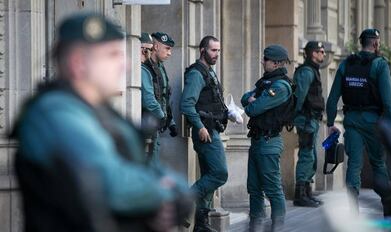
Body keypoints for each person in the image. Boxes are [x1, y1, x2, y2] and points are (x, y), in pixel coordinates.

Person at [11, 13, 190, 232]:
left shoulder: (103, 113)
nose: (125, 66)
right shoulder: (53, 113)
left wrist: (178, 193)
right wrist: (165, 194)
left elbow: (149, 170)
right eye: (112, 55)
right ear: (78, 63)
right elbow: (110, 183)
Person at [326, 28, 391, 215]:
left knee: (354, 165)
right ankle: (387, 206)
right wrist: (390, 127)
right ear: (375, 43)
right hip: (374, 122)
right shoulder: (380, 65)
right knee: (378, 164)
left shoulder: (346, 64)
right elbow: (389, 102)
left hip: (352, 121)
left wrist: (330, 123)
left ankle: (352, 211)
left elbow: (332, 99)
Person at [241, 44, 293, 231]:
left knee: (272, 189)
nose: (262, 61)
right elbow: (245, 97)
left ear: (277, 63)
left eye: (266, 59)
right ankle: (256, 224)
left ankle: (277, 226)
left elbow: (253, 108)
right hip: (258, 141)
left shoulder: (280, 86)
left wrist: (252, 101)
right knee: (254, 188)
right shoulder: (266, 82)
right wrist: (252, 99)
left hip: (269, 142)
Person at [180, 35, 228, 232]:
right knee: (219, 174)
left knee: (209, 176)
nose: (217, 54)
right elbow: (186, 104)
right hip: (206, 133)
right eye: (213, 50)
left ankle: (201, 223)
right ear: (202, 51)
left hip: (213, 128)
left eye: (218, 50)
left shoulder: (209, 72)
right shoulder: (197, 74)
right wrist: (199, 126)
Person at [293, 41, 326, 207]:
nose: (323, 54)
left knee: (311, 157)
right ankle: (300, 195)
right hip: (306, 120)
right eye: (321, 51)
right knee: (306, 156)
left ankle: (307, 192)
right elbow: (299, 96)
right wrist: (294, 117)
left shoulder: (312, 70)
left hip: (311, 120)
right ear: (313, 53)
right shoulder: (306, 71)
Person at [141, 32, 178, 165]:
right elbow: (149, 99)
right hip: (147, 124)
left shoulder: (160, 68)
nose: (170, 53)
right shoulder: (145, 68)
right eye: (167, 48)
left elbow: (164, 97)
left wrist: (171, 121)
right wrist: (162, 116)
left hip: (155, 125)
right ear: (156, 47)